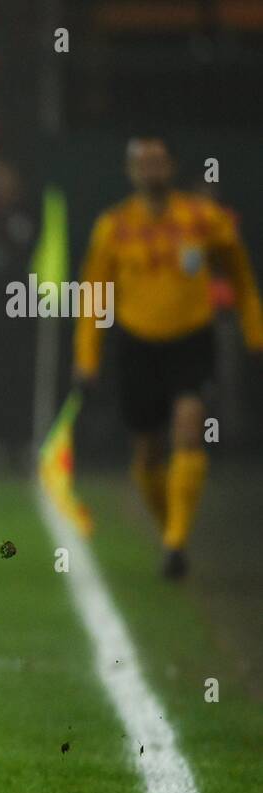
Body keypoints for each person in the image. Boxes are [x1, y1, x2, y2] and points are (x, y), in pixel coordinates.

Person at [73, 137, 263, 579]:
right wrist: (87, 357)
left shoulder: (204, 219)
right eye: (142, 162)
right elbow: (93, 297)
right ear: (130, 171)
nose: (151, 169)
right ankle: (169, 533)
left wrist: (255, 336)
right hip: (138, 344)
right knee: (146, 454)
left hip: (192, 340)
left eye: (158, 160)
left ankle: (176, 542)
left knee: (189, 426)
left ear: (172, 166)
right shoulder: (113, 226)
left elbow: (242, 280)